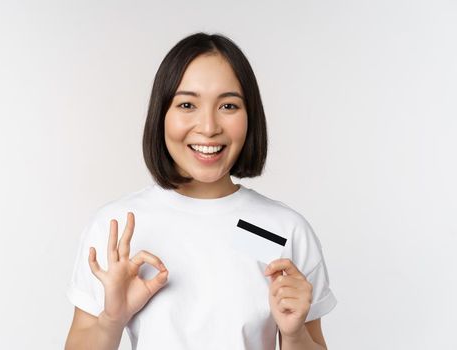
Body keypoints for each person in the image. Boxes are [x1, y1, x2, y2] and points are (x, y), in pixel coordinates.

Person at [64, 32, 337, 350]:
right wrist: (112, 320)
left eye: (228, 105)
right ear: (161, 115)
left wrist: (293, 335)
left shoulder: (281, 231)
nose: (208, 127)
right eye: (187, 104)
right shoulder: (120, 228)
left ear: (250, 117)